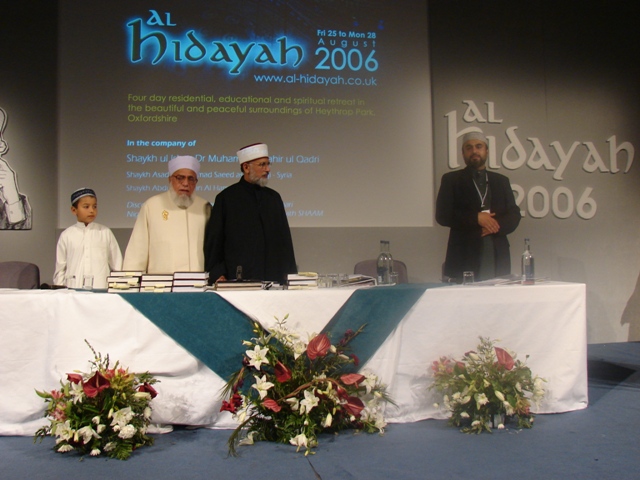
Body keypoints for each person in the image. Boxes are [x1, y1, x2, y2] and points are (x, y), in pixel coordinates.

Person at [204, 143, 297, 284]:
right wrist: (218, 272)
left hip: (273, 278)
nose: (268, 169)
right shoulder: (226, 198)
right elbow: (215, 241)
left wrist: (290, 274)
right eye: (262, 165)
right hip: (237, 279)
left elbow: (285, 241)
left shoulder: (273, 198)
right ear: (246, 167)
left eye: (268, 164)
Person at [436, 132, 521, 283]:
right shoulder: (451, 179)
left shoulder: (501, 181)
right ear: (463, 153)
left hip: (496, 250)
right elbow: (442, 215)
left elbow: (514, 214)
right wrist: (476, 218)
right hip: (464, 253)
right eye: (469, 148)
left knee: (498, 294)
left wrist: (495, 226)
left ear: (486, 151)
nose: (474, 151)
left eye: (479, 146)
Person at [123, 155, 211, 273]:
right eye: (180, 178)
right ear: (170, 179)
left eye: (191, 179)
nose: (186, 183)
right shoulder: (151, 206)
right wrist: (130, 280)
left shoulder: (205, 207)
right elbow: (136, 253)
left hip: (198, 281)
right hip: (160, 282)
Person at [53, 188, 123, 288]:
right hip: (73, 291)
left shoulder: (105, 232)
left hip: (101, 289)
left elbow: (117, 265)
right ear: (74, 210)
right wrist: (60, 291)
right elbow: (60, 269)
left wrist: (118, 288)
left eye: (94, 206)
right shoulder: (66, 235)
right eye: (86, 207)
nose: (91, 210)